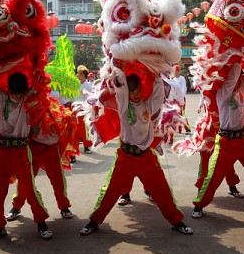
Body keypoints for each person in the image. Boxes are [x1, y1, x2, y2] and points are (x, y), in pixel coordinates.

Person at [80, 72, 193, 236]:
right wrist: (120, 67)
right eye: (132, 92)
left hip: (146, 157)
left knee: (162, 190)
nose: (136, 95)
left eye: (138, 91)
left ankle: (177, 221)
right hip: (125, 157)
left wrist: (155, 74)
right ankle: (94, 221)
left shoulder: (148, 105)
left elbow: (158, 94)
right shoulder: (123, 106)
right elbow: (119, 86)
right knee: (110, 191)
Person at [192, 53, 244, 219]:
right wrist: (237, 53)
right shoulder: (223, 93)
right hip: (226, 142)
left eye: (241, 79)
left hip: (243, 141)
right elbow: (232, 77)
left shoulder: (240, 91)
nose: (240, 80)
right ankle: (199, 205)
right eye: (238, 77)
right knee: (213, 178)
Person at [0, 72, 53, 242]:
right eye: (14, 92)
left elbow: (40, 82)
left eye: (20, 93)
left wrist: (34, 66)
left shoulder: (29, 98)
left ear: (25, 90)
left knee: (28, 188)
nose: (16, 96)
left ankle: (41, 222)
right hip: (1, 149)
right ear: (9, 89)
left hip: (21, 150)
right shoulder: (2, 98)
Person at [75, 65, 94, 155]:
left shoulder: (88, 86)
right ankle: (75, 148)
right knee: (75, 129)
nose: (77, 75)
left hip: (83, 110)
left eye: (78, 73)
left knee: (84, 129)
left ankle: (87, 146)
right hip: (75, 109)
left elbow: (90, 99)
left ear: (82, 75)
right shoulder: (76, 84)